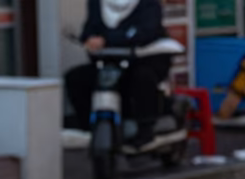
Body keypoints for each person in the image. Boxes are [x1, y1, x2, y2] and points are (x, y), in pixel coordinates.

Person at [64, 0, 170, 147]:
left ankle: (145, 130)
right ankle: (89, 128)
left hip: (143, 60)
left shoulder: (148, 3)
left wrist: (107, 39)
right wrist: (89, 38)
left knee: (142, 78)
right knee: (75, 78)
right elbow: (90, 29)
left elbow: (146, 32)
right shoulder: (97, 3)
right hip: (110, 62)